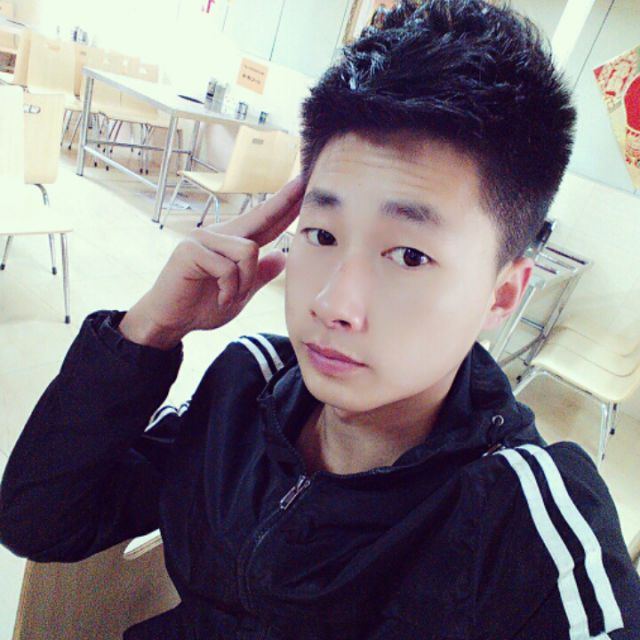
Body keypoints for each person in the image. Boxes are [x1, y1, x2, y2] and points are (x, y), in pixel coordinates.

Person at [1, 1, 639, 638]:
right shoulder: (248, 386)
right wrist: (148, 331)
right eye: (323, 234)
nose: (333, 304)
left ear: (501, 296)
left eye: (409, 255)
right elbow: (38, 522)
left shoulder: (526, 524)